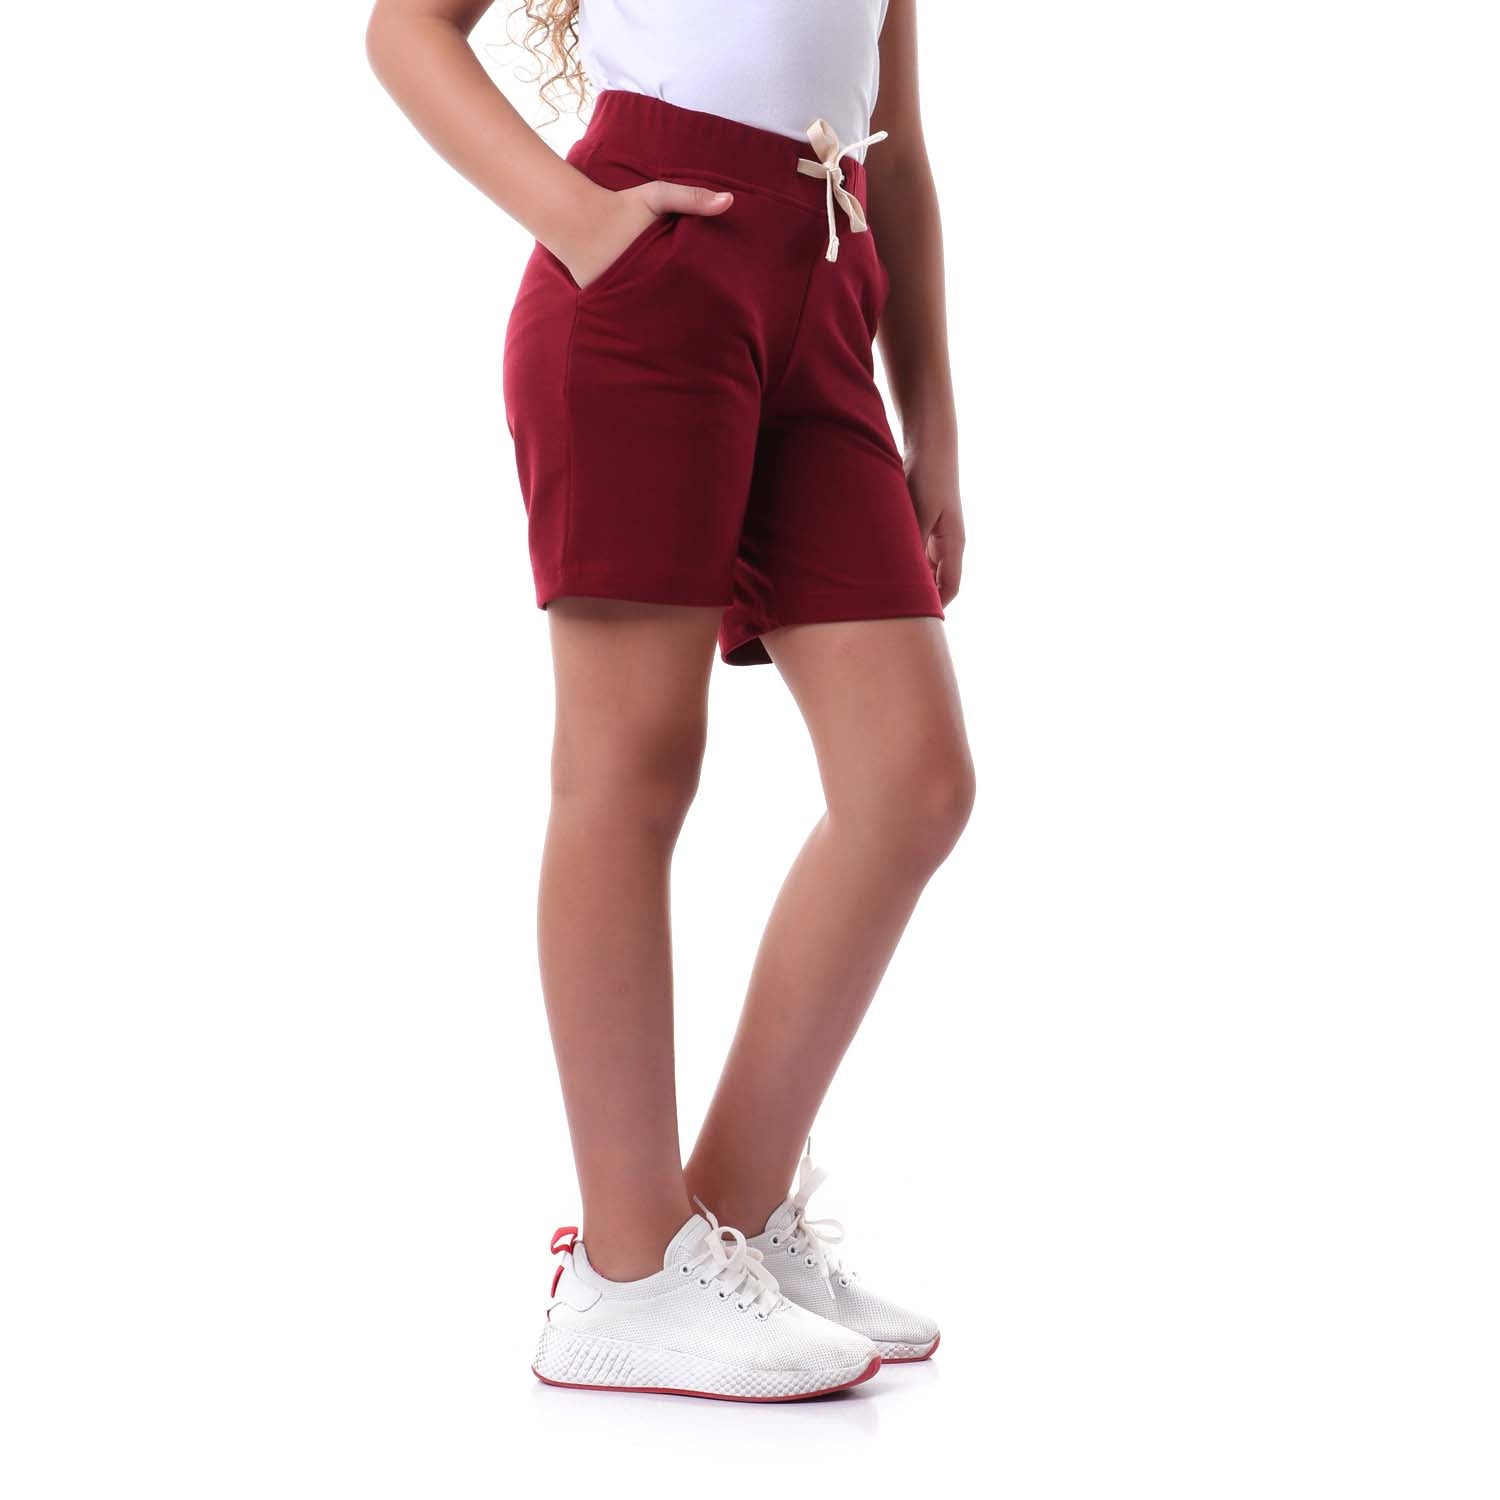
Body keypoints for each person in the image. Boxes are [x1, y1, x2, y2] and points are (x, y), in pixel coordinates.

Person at [366, 0, 974, 1400]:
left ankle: (733, 1215)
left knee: (913, 784)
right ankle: (627, 1270)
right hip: (653, 277)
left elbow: (902, 149)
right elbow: (406, 31)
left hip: (829, 291)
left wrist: (933, 425)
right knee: (632, 768)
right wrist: (585, 228)